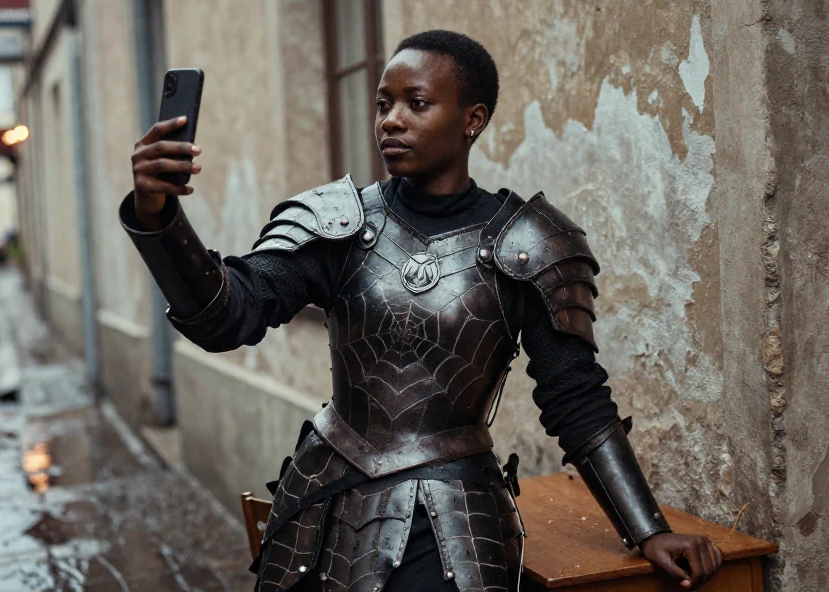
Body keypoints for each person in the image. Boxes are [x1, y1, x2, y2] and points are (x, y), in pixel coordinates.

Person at [120, 30, 723, 591]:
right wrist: (159, 219)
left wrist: (646, 527)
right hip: (324, 497)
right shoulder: (337, 222)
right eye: (383, 103)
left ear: (472, 119)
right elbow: (229, 315)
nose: (391, 120)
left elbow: (574, 395)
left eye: (416, 103)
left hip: (454, 516)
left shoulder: (531, 244)